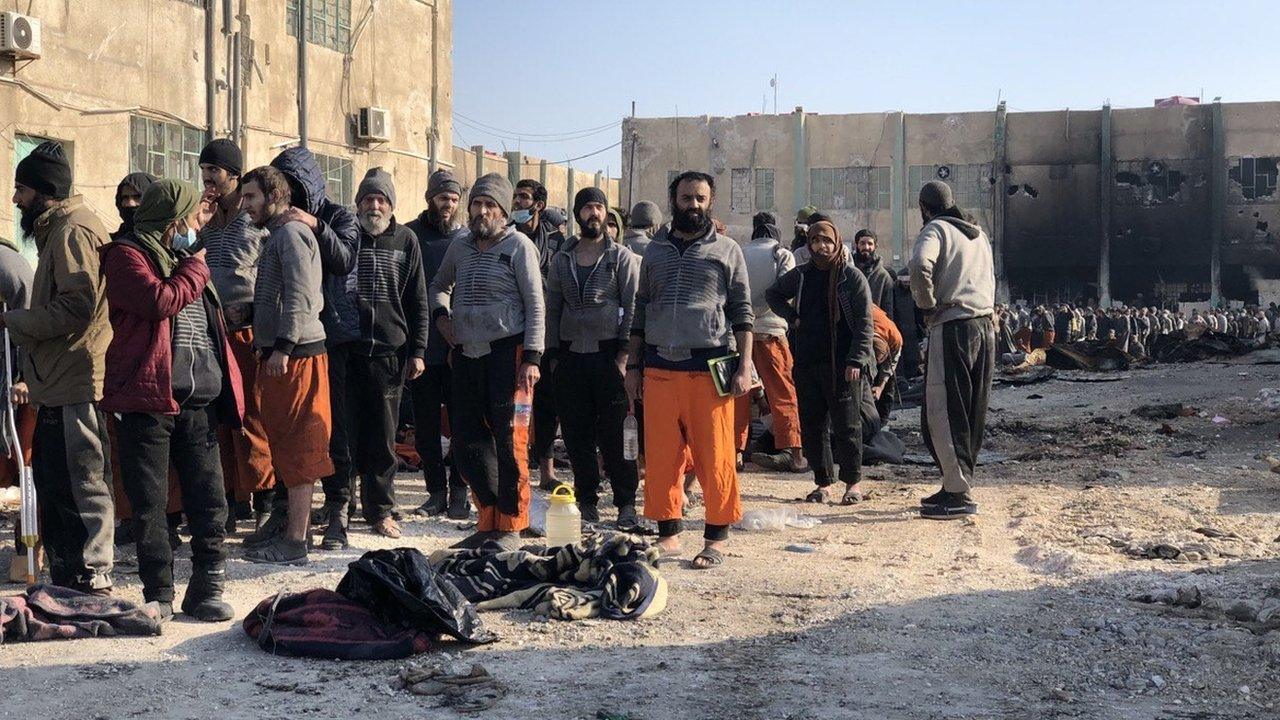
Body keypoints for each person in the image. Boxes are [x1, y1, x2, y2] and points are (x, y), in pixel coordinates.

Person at [100, 179, 244, 621]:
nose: (195, 226)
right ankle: (158, 593)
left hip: (196, 400)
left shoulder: (183, 258)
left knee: (208, 499)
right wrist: (198, 270)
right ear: (171, 218)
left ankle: (206, 589)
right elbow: (158, 300)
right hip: (147, 400)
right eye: (190, 217)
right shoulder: (126, 256)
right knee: (150, 505)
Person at [624, 171, 753, 569]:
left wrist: (745, 365)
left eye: (700, 198)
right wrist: (633, 364)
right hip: (660, 367)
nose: (692, 205)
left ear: (709, 202)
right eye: (685, 198)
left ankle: (716, 538)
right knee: (662, 457)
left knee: (715, 457)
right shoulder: (655, 252)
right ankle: (669, 536)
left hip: (709, 366)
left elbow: (742, 312)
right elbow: (640, 310)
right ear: (673, 200)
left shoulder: (728, 250)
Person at [3, 141, 114, 594]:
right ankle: (71, 577)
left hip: (75, 377)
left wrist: (12, 322)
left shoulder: (72, 232)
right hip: (58, 379)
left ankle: (94, 574)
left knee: (83, 479)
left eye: (21, 191)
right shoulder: (61, 229)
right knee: (58, 481)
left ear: (44, 192)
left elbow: (76, 308)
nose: (15, 201)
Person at [430, 173, 544, 548]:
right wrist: (441, 318)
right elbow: (438, 287)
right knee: (466, 441)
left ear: (504, 210)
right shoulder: (460, 246)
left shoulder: (519, 246)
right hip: (465, 355)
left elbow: (535, 304)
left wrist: (532, 357)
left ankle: (511, 525)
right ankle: (487, 521)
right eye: (477, 203)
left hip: (506, 354)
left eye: (490, 205)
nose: (482, 211)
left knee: (510, 441)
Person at [318, 168, 430, 548]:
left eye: (381, 199)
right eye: (368, 199)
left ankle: (380, 510)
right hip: (346, 353)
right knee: (343, 435)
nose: (374, 205)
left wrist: (417, 351)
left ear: (391, 205)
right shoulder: (346, 238)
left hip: (389, 354)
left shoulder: (406, 241)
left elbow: (418, 301)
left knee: (383, 439)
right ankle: (339, 510)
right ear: (358, 203)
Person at [238, 165, 334, 564]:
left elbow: (300, 296)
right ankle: (297, 533)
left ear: (274, 197)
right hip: (283, 352)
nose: (245, 206)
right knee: (285, 443)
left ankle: (295, 542)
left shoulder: (291, 234)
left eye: (251, 198)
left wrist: (283, 346)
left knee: (299, 447)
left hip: (296, 356)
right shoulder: (277, 235)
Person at [269, 147, 359, 528]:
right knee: (286, 428)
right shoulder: (277, 223)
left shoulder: (339, 217)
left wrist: (315, 224)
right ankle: (283, 510)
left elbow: (344, 259)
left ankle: (338, 505)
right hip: (290, 335)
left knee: (331, 425)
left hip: (332, 334)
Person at [545, 187, 641, 526]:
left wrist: (624, 355)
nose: (594, 214)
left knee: (617, 436)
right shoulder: (563, 259)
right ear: (577, 214)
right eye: (587, 208)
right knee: (576, 435)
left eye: (599, 207)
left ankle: (626, 503)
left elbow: (632, 308)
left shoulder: (622, 258)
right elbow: (553, 309)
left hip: (608, 358)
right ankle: (587, 500)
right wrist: (554, 356)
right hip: (571, 359)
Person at [766, 219, 874, 504]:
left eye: (826, 241)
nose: (821, 246)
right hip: (807, 361)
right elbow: (773, 294)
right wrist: (791, 317)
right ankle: (823, 483)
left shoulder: (851, 278)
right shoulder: (801, 276)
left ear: (836, 243)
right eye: (815, 241)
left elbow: (865, 324)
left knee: (847, 425)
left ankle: (852, 484)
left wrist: (857, 359)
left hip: (842, 364)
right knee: (813, 425)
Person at [197, 138, 274, 533]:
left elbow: (271, 272)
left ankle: (265, 499)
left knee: (252, 416)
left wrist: (256, 314)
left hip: (248, 331)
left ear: (233, 174)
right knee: (221, 417)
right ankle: (231, 499)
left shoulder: (253, 217)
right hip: (214, 331)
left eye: (215, 171)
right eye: (204, 171)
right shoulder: (206, 220)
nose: (208, 178)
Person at [908, 180, 995, 520]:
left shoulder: (936, 229)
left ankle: (957, 492)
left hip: (953, 325)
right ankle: (956, 483)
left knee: (943, 407)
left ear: (924, 207)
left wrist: (926, 305)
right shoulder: (978, 234)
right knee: (972, 408)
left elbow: (919, 265)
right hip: (985, 326)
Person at [405, 169, 470, 520]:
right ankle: (435, 493)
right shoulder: (410, 236)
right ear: (430, 198)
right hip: (421, 349)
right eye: (443, 197)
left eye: (454, 198)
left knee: (461, 425)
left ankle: (460, 491)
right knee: (426, 428)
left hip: (457, 348)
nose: (448, 204)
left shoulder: (465, 239)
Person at [736, 212, 805, 473]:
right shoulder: (781, 253)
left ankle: (736, 453)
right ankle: (793, 452)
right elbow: (787, 291)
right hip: (772, 332)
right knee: (783, 393)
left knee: (739, 395)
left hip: (740, 335)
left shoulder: (739, 252)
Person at [512, 179, 564, 491]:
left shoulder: (559, 244)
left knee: (547, 405)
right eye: (515, 197)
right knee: (514, 406)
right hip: (514, 332)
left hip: (549, 335)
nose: (517, 202)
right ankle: (516, 467)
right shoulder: (506, 236)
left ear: (538, 205)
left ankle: (546, 471)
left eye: (524, 197)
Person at [853, 229, 895, 311]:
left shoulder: (883, 276)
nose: (866, 247)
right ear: (856, 245)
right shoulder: (847, 272)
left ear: (875, 246)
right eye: (862, 243)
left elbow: (888, 307)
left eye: (870, 244)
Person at [110, 172, 155, 241]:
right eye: (125, 197)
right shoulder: (110, 241)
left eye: (137, 197)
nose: (130, 203)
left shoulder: (167, 239)